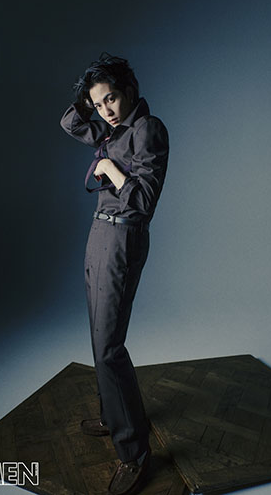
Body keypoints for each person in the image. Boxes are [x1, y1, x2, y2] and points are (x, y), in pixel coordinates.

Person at [60, 53, 169, 495]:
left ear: (129, 90)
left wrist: (110, 168)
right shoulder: (111, 128)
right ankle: (112, 415)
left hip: (124, 237)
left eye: (111, 98)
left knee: (109, 345)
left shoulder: (147, 129)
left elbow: (144, 201)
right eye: (98, 103)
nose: (105, 109)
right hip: (98, 234)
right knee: (97, 335)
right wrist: (86, 97)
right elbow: (70, 122)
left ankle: (134, 453)